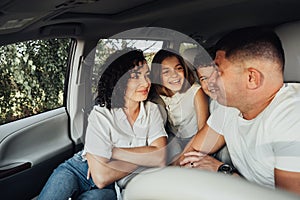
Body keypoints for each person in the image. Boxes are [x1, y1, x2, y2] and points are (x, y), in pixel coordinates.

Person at [177, 27, 300, 195]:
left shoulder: (292, 118)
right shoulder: (228, 107)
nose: (210, 82)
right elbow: (190, 154)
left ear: (252, 78)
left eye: (218, 72)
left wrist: (223, 171)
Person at [38, 49, 167, 200]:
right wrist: (144, 160)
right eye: (136, 76)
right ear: (119, 81)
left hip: (113, 184)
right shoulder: (101, 114)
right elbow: (100, 174)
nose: (146, 83)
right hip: (78, 169)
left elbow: (159, 157)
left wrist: (112, 151)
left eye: (146, 75)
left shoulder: (152, 110)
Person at [149, 49, 209, 164]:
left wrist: (182, 157)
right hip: (174, 139)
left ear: (184, 70)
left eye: (178, 68)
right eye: (166, 72)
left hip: (195, 139)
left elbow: (203, 130)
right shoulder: (158, 94)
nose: (174, 75)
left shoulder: (195, 91)